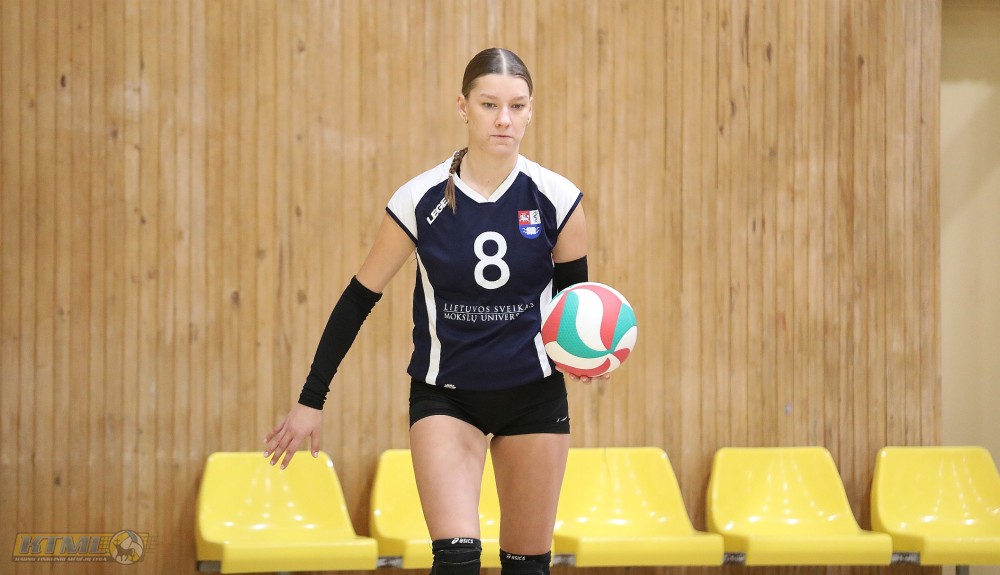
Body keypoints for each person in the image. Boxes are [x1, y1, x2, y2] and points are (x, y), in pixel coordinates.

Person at [264, 47, 599, 575]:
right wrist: (312, 399)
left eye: (517, 106)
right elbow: (358, 298)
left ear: (531, 111)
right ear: (463, 107)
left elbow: (574, 309)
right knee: (457, 560)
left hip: (534, 399)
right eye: (489, 104)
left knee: (527, 565)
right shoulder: (419, 200)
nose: (504, 119)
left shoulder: (558, 199)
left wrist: (587, 357)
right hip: (447, 398)